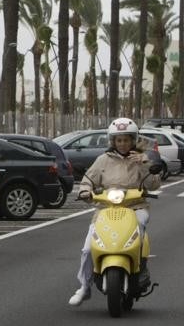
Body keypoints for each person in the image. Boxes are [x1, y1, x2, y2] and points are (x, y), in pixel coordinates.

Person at [68, 117, 162, 306]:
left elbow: (154, 184)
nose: (123, 144)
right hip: (106, 208)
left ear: (133, 140)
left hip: (135, 207)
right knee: (88, 248)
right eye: (119, 140)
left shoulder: (140, 159)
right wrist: (85, 191)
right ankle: (84, 287)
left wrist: (144, 164)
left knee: (140, 227)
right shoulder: (103, 160)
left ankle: (140, 268)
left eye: (126, 140)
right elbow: (88, 179)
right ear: (113, 141)